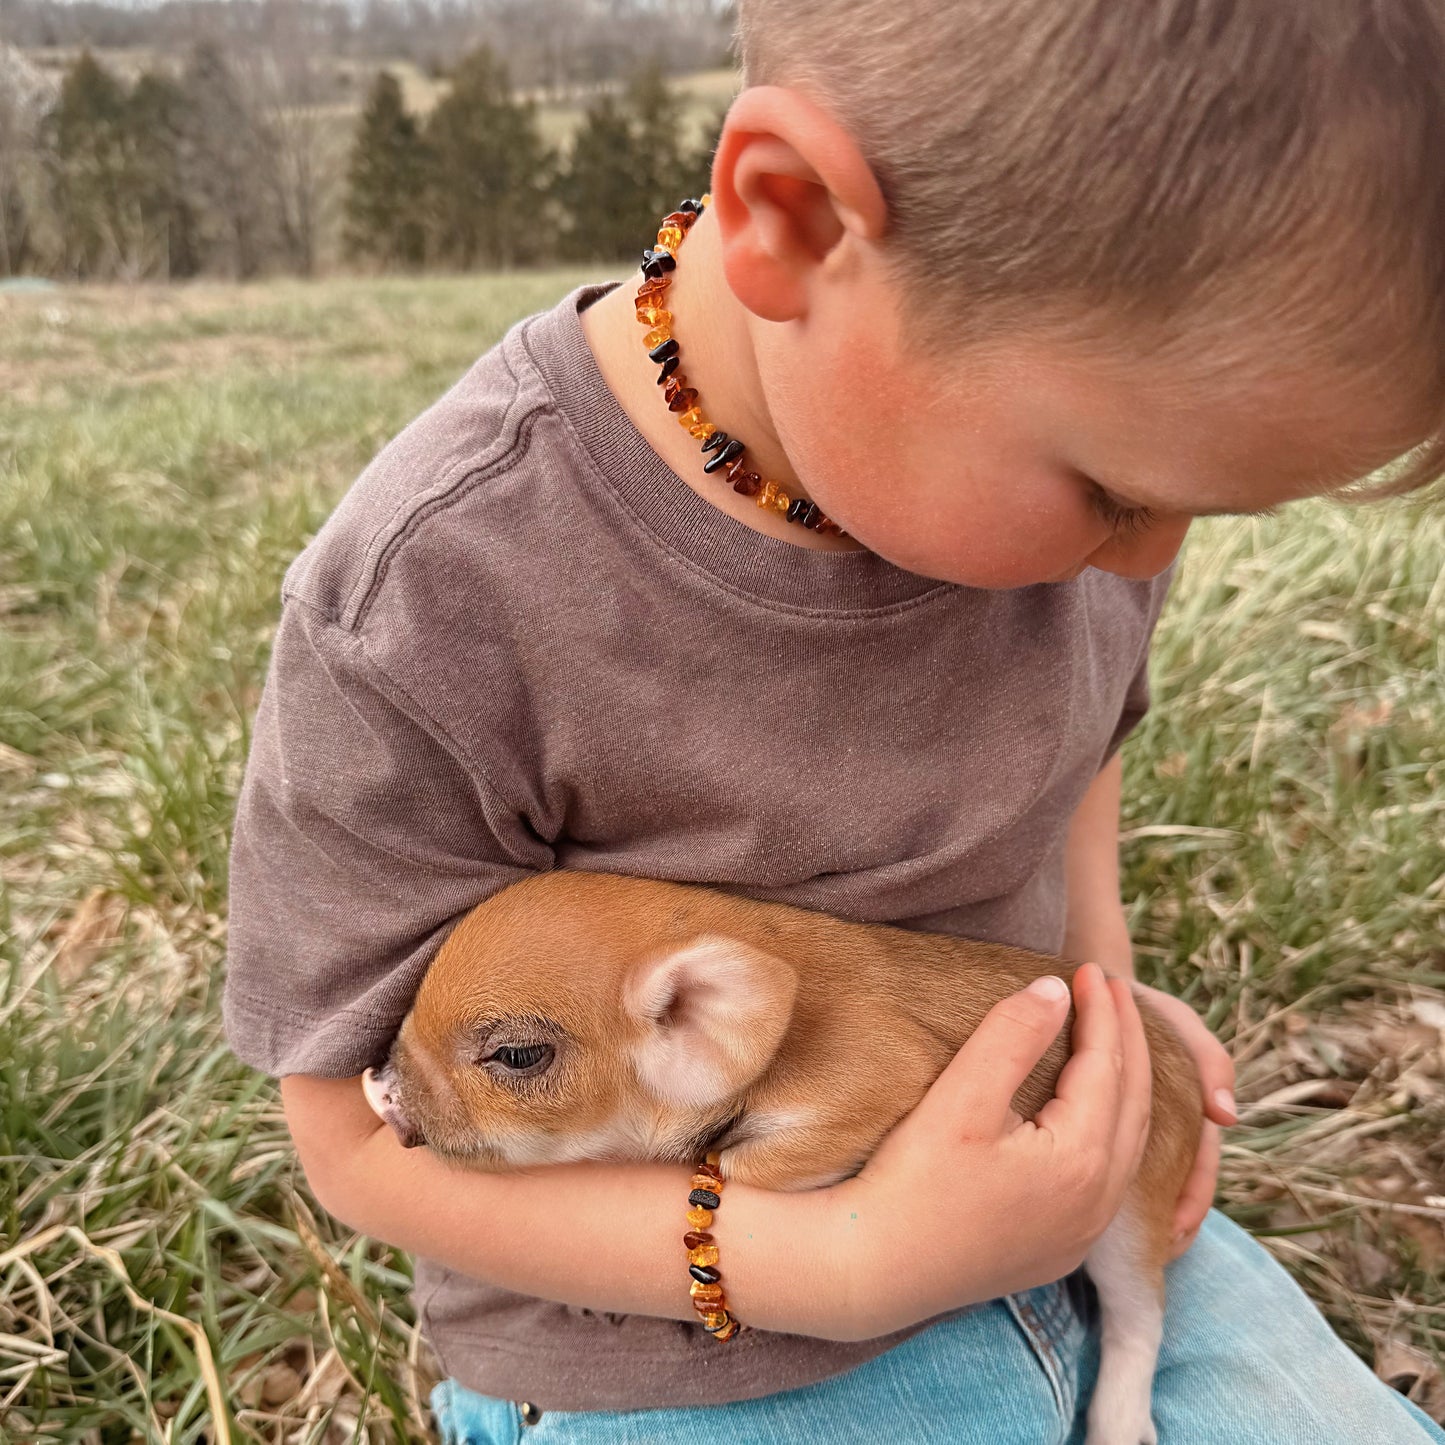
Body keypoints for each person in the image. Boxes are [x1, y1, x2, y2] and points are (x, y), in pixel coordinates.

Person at [222, 1, 1445, 1440]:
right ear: (791, 221)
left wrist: (1099, 1024)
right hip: (677, 1339)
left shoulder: (1056, 513)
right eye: (1112, 487)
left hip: (1064, 1226)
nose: (1141, 555)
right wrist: (838, 1262)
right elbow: (354, 1138)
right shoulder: (433, 595)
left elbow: (1078, 750)